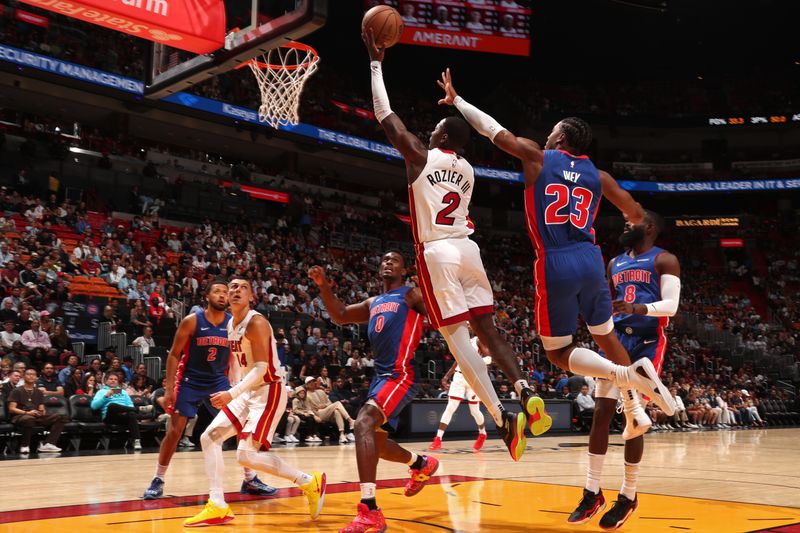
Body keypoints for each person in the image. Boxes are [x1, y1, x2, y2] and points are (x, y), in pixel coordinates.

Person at [437, 70, 674, 424]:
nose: (546, 137)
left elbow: (492, 130)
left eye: (551, 132)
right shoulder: (600, 176)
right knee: (606, 334)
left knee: (559, 353)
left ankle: (627, 378)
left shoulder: (538, 157)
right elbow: (636, 215)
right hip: (591, 259)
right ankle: (636, 409)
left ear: (561, 136)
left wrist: (457, 101)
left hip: (555, 259)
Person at [364, 29, 547, 463]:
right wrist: (459, 104)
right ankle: (523, 387)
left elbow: (384, 114)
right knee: (490, 329)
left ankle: (502, 414)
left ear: (441, 137)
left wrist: (375, 63)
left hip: (438, 252)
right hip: (470, 251)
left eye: (432, 130)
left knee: (456, 338)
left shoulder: (422, 157)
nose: (425, 133)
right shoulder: (468, 170)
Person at [309, 251, 439, 533]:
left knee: (363, 424)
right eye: (383, 259)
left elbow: (440, 315)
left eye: (394, 260)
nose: (387, 262)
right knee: (376, 445)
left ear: (405, 269)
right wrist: (324, 286)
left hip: (400, 373)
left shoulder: (412, 295)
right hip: (380, 377)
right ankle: (422, 463)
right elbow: (340, 315)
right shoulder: (373, 302)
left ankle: (369, 510)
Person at [568, 211, 681, 529]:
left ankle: (628, 495)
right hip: (616, 342)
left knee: (635, 420)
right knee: (601, 415)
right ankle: (592, 492)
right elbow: (608, 303)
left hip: (646, 343)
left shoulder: (665, 260)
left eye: (632, 221)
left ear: (649, 227)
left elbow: (671, 306)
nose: (625, 225)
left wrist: (638, 308)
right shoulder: (614, 263)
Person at [184, 278, 326, 527]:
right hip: (247, 392)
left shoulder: (256, 321)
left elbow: (261, 368)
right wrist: (234, 391)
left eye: (243, 287)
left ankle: (307, 481)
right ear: (227, 298)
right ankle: (217, 505)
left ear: (251, 296)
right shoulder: (231, 324)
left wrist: (231, 393)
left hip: (269, 389)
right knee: (209, 437)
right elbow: (241, 365)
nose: (236, 290)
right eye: (232, 288)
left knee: (246, 456)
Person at [142, 280, 274, 500]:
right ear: (206, 296)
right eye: (217, 292)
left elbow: (237, 355)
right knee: (175, 431)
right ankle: (158, 478)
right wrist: (168, 389)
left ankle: (250, 479)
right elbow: (174, 354)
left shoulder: (234, 323)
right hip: (190, 381)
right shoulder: (191, 321)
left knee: (240, 427)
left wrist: (236, 383)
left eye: (225, 292)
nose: (222, 295)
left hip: (218, 381)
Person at [430, 333, 509, 452]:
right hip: (459, 376)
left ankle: (482, 433)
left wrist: (472, 361)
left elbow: (489, 359)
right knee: (450, 407)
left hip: (474, 377)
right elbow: (457, 361)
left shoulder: (478, 340)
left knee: (474, 411)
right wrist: (447, 376)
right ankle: (438, 438)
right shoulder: (462, 342)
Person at [8, 367, 68, 454]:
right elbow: (11, 409)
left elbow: (41, 407)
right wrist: (27, 412)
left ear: (36, 378)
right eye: (28, 374)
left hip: (35, 416)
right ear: (23, 377)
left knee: (62, 417)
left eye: (33, 375)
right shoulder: (16, 391)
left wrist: (41, 412)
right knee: (28, 419)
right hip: (20, 416)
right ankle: (25, 445)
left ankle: (48, 443)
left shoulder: (38, 392)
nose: (31, 376)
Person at [91, 372, 142, 450]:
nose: (113, 381)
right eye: (111, 379)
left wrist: (126, 410)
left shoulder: (123, 392)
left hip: (123, 416)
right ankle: (139, 410)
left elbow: (130, 404)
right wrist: (106, 396)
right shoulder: (101, 392)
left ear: (118, 382)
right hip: (110, 417)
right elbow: (94, 406)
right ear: (106, 381)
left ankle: (136, 441)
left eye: (115, 379)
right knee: (112, 405)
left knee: (131, 414)